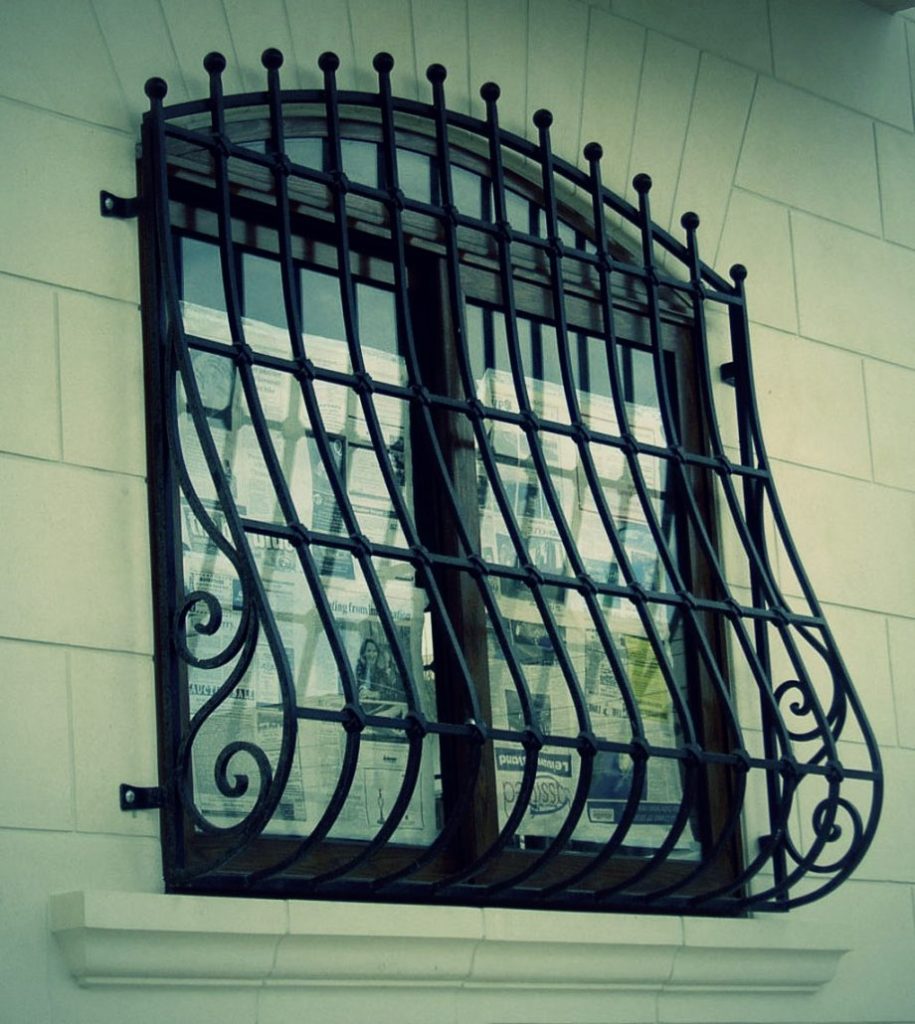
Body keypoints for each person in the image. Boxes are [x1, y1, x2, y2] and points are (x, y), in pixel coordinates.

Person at [355, 637, 400, 702]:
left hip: (378, 709)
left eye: (374, 651)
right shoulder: (359, 670)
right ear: (363, 653)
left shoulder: (382, 673)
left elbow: (392, 694)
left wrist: (376, 694)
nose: (372, 654)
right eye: (369, 651)